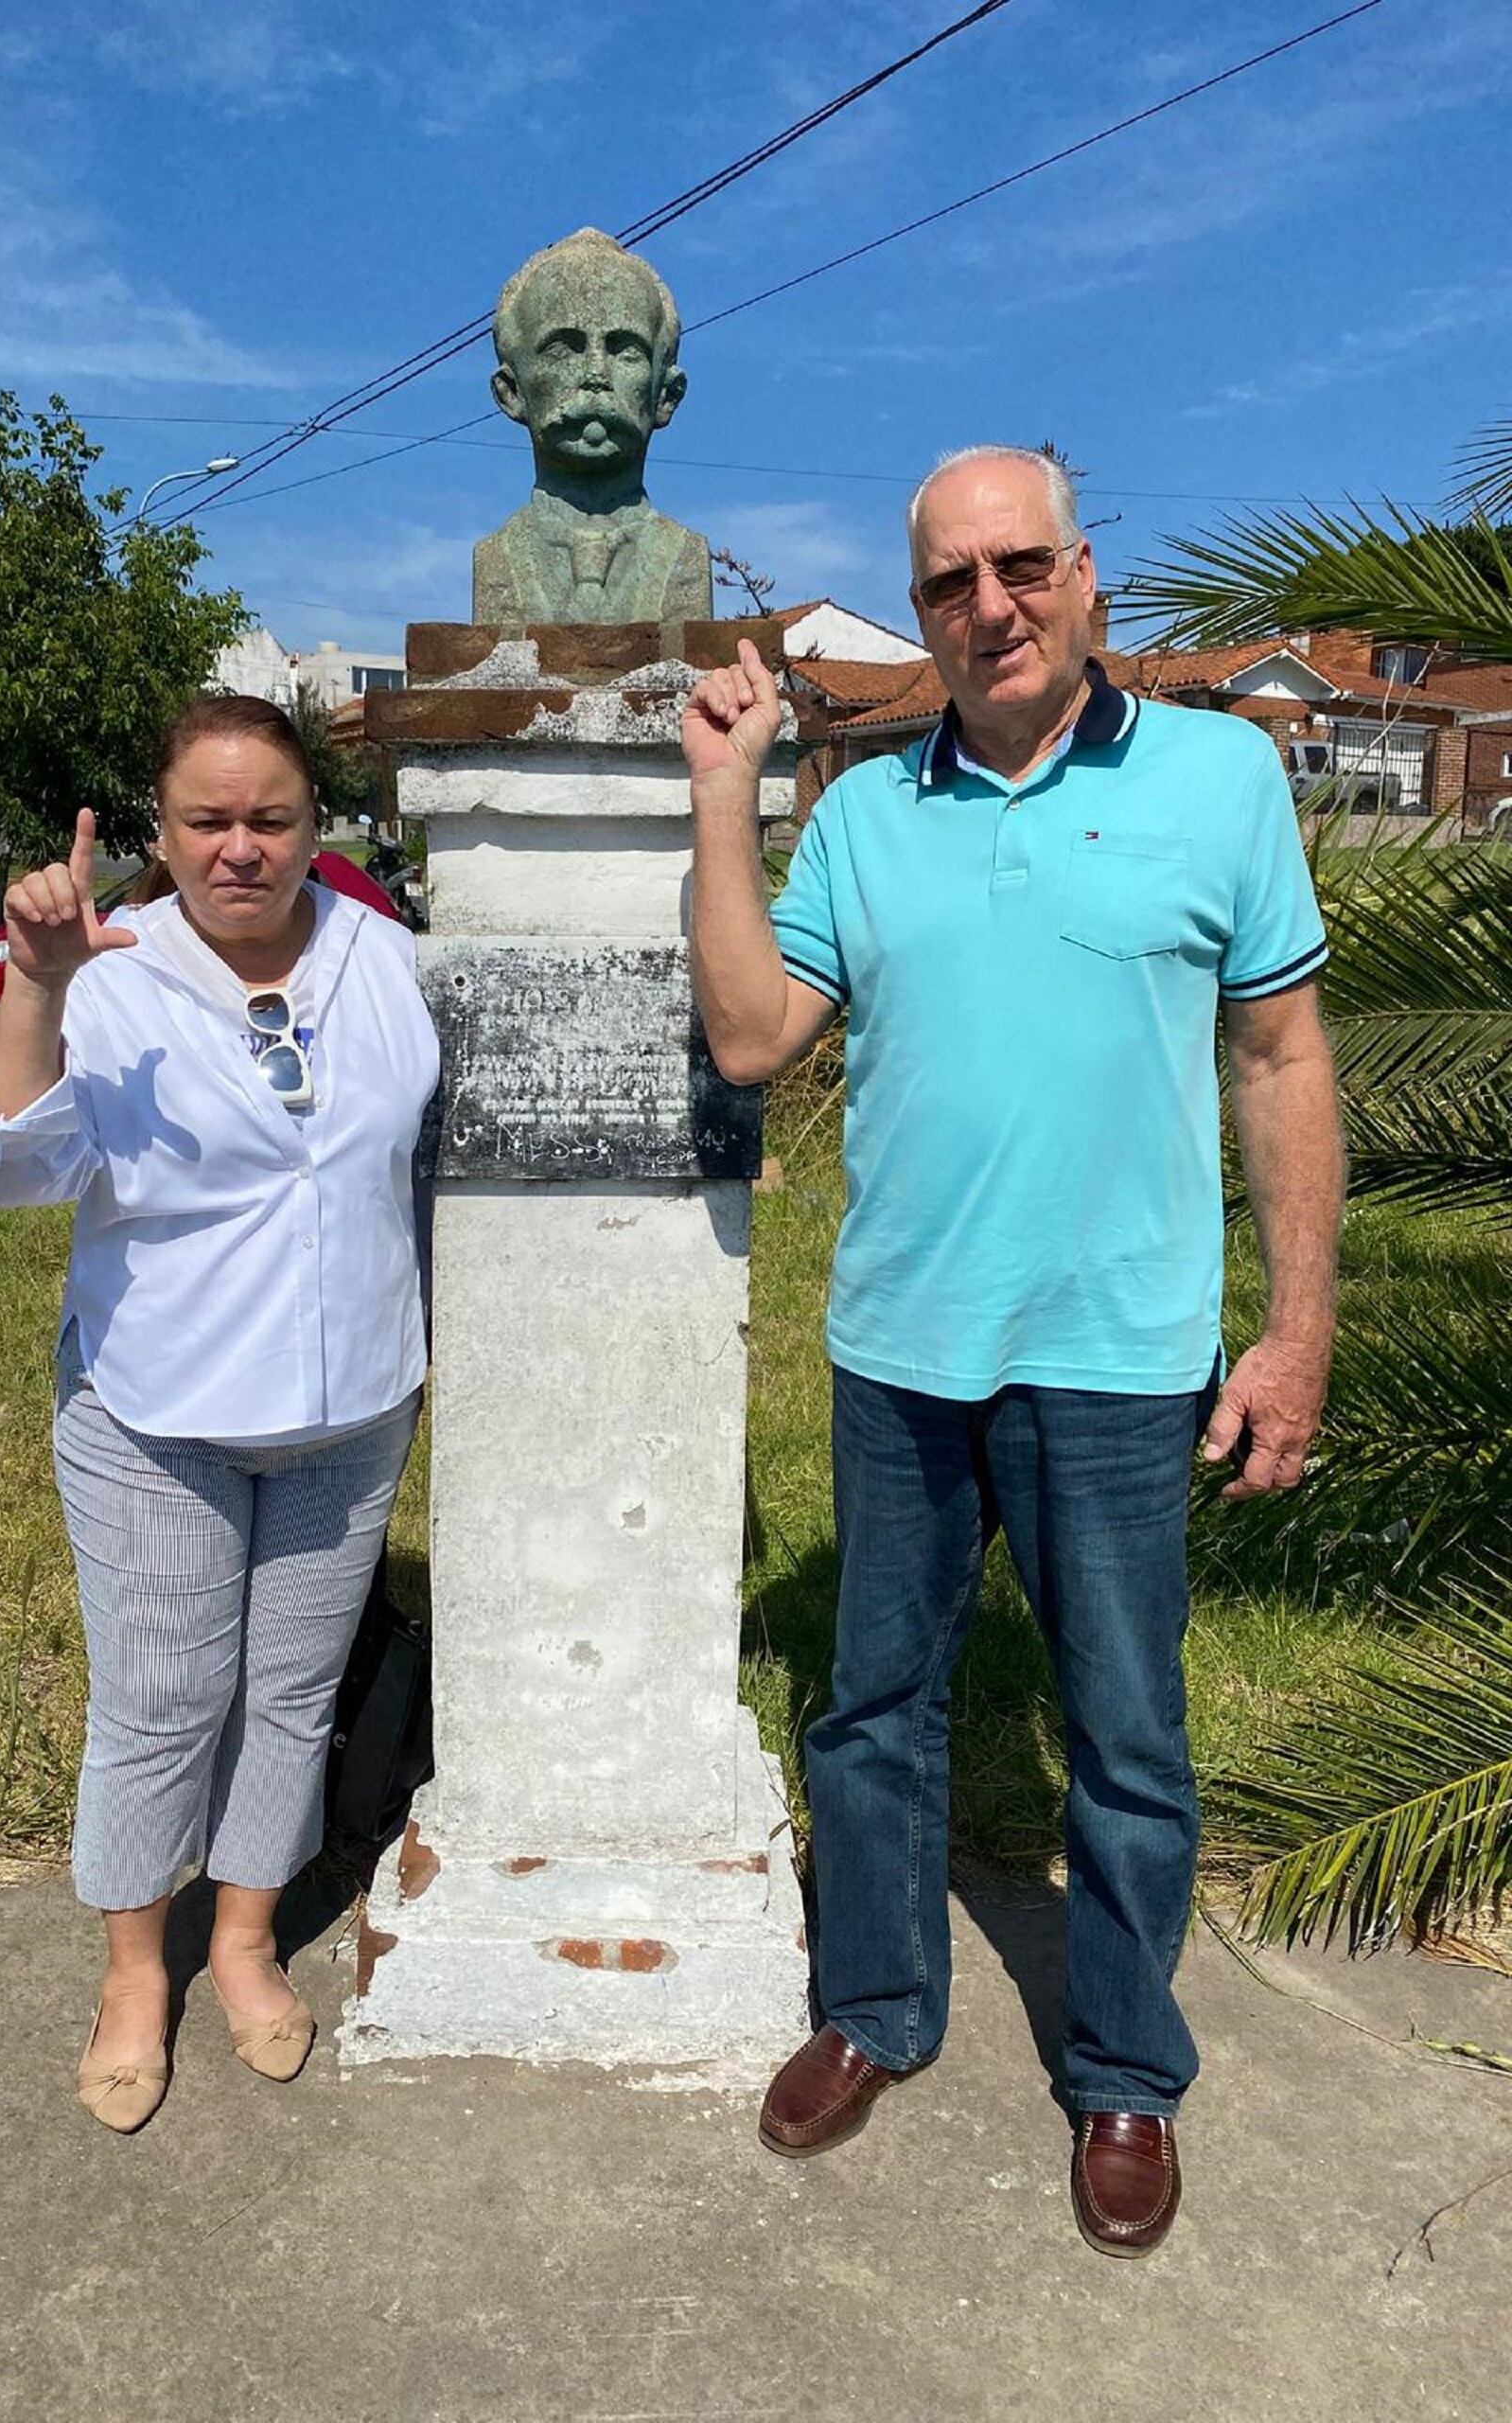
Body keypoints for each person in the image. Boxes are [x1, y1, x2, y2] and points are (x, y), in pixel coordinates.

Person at [682, 446, 1343, 2255]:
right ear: (921, 614)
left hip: (1123, 1363)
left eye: (1022, 564)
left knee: (1126, 1732)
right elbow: (749, 1041)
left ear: (1085, 574)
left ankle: (1125, 2066)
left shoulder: (1222, 778)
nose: (992, 605)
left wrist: (1296, 1333)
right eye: (951, 582)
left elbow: (1281, 1063)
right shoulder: (872, 814)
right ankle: (877, 2009)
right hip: (904, 1350)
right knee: (873, 1707)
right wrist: (729, 797)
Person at [0, 693, 438, 2132]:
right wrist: (37, 984)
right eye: (206, 822)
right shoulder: (112, 969)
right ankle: (137, 1972)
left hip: (348, 1412)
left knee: (286, 1697)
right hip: (157, 1411)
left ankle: (243, 1936)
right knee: (163, 1705)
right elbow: (8, 1171)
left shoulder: (387, 962)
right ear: (159, 832)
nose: (239, 850)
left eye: (270, 820)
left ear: (313, 829)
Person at [473, 226, 712, 624]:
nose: (596, 374)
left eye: (626, 351)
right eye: (564, 349)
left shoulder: (685, 558)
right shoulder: (495, 559)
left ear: (667, 395)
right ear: (511, 392)